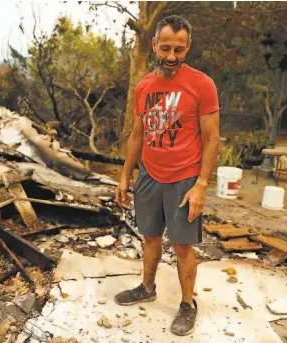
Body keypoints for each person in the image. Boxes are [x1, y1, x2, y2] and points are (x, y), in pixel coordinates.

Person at [114, 15, 220, 336]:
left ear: (188, 47)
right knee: (149, 238)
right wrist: (124, 177)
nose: (171, 57)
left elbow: (212, 137)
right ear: (153, 46)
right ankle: (147, 287)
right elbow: (136, 135)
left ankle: (188, 304)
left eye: (178, 49)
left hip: (185, 178)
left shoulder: (201, 84)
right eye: (165, 48)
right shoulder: (144, 85)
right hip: (149, 175)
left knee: (183, 246)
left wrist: (201, 185)